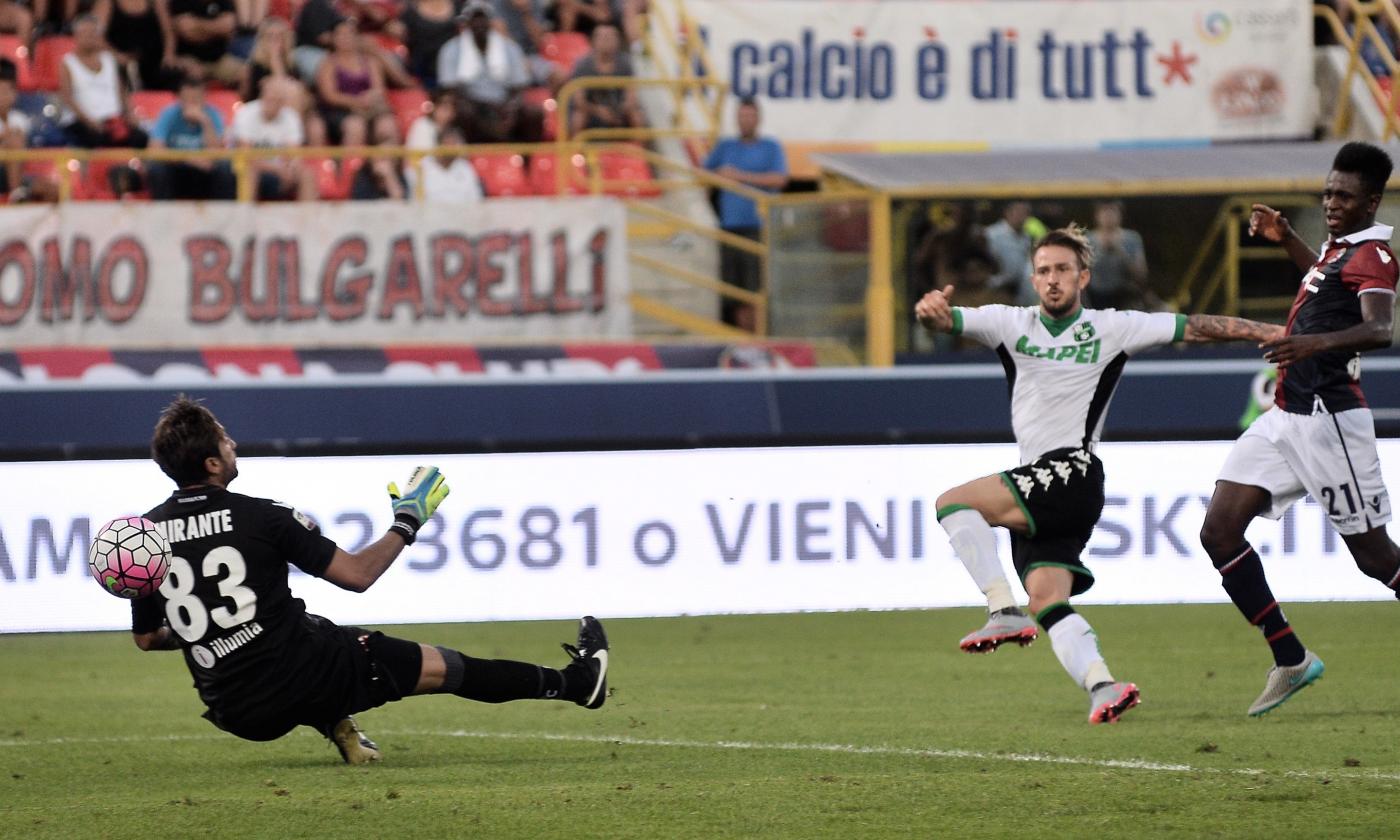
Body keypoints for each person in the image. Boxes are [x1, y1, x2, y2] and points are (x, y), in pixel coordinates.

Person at [916, 224, 1284, 724]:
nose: (1052, 280)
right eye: (1043, 270)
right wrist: (931, 312)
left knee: (952, 502)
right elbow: (947, 320)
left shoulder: (1114, 327)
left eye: (1062, 270)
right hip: (1048, 484)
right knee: (1047, 602)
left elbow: (1194, 326)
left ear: (1083, 277)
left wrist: (1271, 332)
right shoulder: (1009, 323)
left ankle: (1001, 610)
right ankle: (1104, 686)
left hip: (1072, 470)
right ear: (1032, 277)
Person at [133, 396, 610, 763]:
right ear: (213, 463)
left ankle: (339, 727)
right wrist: (407, 522)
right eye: (224, 439)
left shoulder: (143, 537)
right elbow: (357, 576)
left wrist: (211, 632)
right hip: (301, 675)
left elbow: (149, 639)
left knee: (308, 632)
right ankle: (576, 683)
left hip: (235, 710)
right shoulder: (264, 517)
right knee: (445, 666)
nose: (232, 444)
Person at [1199, 141, 1400, 717]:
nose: (1333, 202)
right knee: (1219, 531)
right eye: (1328, 192)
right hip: (1285, 416)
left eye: (1344, 196)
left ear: (1371, 203)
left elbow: (1379, 328)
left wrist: (1313, 343)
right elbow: (1325, 289)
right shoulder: (1337, 251)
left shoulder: (1375, 256)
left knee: (1376, 558)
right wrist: (1289, 239)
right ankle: (1290, 657)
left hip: (1330, 422)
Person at [703, 96, 787, 330]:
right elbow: (705, 175)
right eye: (741, 116)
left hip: (757, 227)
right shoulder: (726, 146)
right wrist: (719, 177)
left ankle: (757, 337)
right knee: (734, 290)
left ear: (758, 119)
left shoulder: (771, 147)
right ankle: (741, 339)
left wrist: (739, 177)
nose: (745, 121)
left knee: (754, 288)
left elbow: (779, 179)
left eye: (749, 116)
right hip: (729, 228)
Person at [436, 1, 538, 143]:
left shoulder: (509, 47)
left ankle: (525, 161)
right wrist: (482, 109)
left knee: (533, 113)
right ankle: (470, 156)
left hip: (503, 104)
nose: (479, 24)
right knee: (464, 112)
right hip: (472, 105)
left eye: (482, 19)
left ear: (490, 22)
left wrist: (508, 110)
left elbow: (519, 86)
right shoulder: (451, 49)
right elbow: (450, 89)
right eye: (474, 19)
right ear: (466, 23)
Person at [60, 15, 150, 149]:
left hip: (113, 119)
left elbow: (122, 91)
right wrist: (89, 122)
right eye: (85, 34)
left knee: (141, 138)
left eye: (93, 34)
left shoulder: (109, 60)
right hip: (84, 121)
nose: (90, 38)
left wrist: (129, 114)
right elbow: (67, 97)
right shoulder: (68, 63)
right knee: (99, 139)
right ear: (76, 36)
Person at [147, 74, 235, 200]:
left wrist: (205, 121)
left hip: (204, 174)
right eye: (187, 99)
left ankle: (222, 215)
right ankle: (162, 214)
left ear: (204, 98)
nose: (191, 104)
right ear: (179, 99)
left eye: (196, 99)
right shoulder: (168, 114)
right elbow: (154, 149)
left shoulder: (213, 115)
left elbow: (217, 153)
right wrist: (189, 158)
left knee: (225, 168)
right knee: (157, 168)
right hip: (177, 170)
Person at [230, 76, 317, 200]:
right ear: (262, 96)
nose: (272, 103)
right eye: (269, 98)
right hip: (250, 167)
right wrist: (277, 170)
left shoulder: (290, 117)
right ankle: (245, 217)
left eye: (277, 100)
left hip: (280, 169)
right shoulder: (246, 113)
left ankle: (307, 218)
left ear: (283, 102)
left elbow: (294, 152)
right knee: (250, 171)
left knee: (307, 174)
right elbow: (247, 155)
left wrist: (291, 168)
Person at [567, 22, 643, 137]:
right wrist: (599, 111)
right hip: (591, 112)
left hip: (618, 111)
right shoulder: (583, 65)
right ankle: (574, 151)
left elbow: (631, 97)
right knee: (578, 117)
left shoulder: (625, 63)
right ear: (594, 41)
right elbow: (579, 101)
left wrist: (618, 112)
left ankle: (640, 152)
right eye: (603, 37)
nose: (607, 41)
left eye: (611, 37)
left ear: (618, 41)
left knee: (637, 115)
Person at [93, 0, 177, 92]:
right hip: (120, 63)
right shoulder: (107, 3)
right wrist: (117, 56)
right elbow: (96, 35)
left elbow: (168, 33)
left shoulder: (156, 3)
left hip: (154, 62)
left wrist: (168, 55)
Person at [1086, 200, 1155, 311]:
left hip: (1123, 297)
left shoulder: (1132, 238)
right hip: (1094, 297)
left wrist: (1120, 252)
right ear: (1096, 215)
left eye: (1112, 211)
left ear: (1120, 214)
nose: (1108, 216)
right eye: (1104, 211)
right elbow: (1080, 272)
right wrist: (1100, 252)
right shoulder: (1088, 239)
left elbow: (1142, 275)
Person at [169, 0, 244, 87]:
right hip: (190, 59)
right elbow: (186, 30)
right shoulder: (182, 3)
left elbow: (229, 25)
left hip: (219, 60)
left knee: (245, 74)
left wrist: (198, 26)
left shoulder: (224, 2)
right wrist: (216, 29)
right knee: (192, 76)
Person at [984, 201, 1035, 305]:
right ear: (1007, 213)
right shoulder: (991, 234)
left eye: (1025, 213)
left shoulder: (1026, 237)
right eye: (1019, 212)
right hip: (996, 288)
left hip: (1020, 289)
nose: (1022, 217)